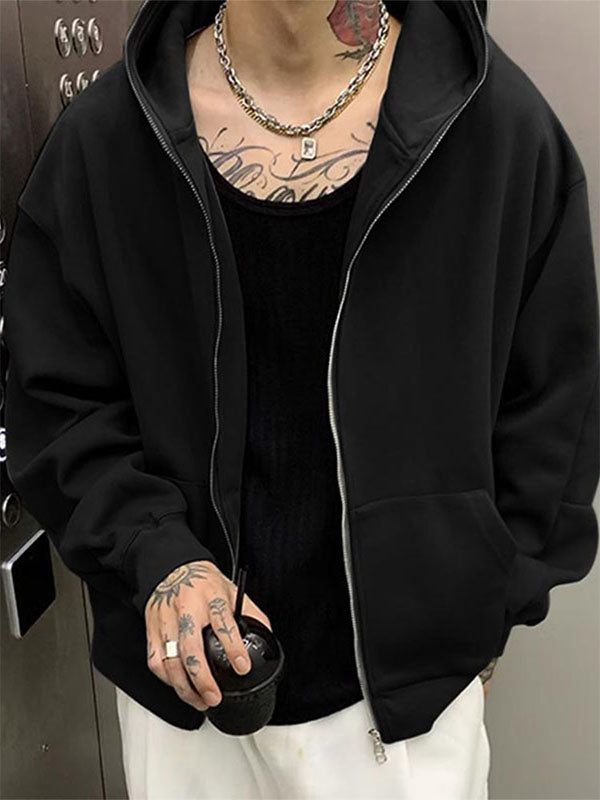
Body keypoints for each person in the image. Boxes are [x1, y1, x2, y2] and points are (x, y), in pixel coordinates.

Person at [4, 0, 598, 798]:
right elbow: (59, 406)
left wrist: (480, 618)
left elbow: (556, 413)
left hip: (412, 721)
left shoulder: (499, 133)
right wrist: (155, 553)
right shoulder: (106, 144)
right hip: (185, 714)